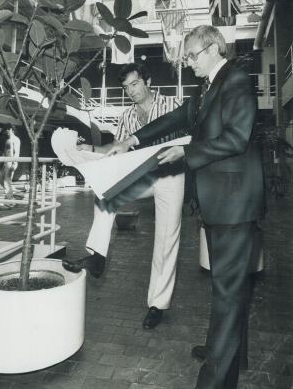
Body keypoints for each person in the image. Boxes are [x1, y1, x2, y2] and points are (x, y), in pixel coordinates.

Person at [108, 26, 265, 389]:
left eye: (191, 55)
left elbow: (237, 138)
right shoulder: (208, 85)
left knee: (226, 289)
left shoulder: (236, 80)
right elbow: (177, 117)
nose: (187, 62)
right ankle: (227, 352)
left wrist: (187, 152)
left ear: (212, 49)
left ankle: (214, 380)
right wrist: (132, 139)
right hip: (221, 200)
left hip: (235, 202)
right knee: (229, 286)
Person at [63, 63, 186, 329]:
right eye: (126, 87)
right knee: (106, 195)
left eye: (135, 84)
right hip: (144, 175)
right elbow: (117, 149)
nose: (131, 91)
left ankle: (157, 305)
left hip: (172, 174)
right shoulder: (127, 115)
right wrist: (91, 148)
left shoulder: (172, 104)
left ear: (148, 81)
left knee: (167, 239)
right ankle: (97, 257)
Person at [1, 125, 21, 200]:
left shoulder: (16, 139)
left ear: (12, 129)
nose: (6, 131)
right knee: (1, 179)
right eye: (5, 130)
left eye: (7, 129)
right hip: (6, 162)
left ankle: (9, 199)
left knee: (7, 181)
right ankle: (13, 193)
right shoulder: (7, 140)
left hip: (11, 162)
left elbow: (16, 152)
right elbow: (5, 151)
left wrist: (14, 163)